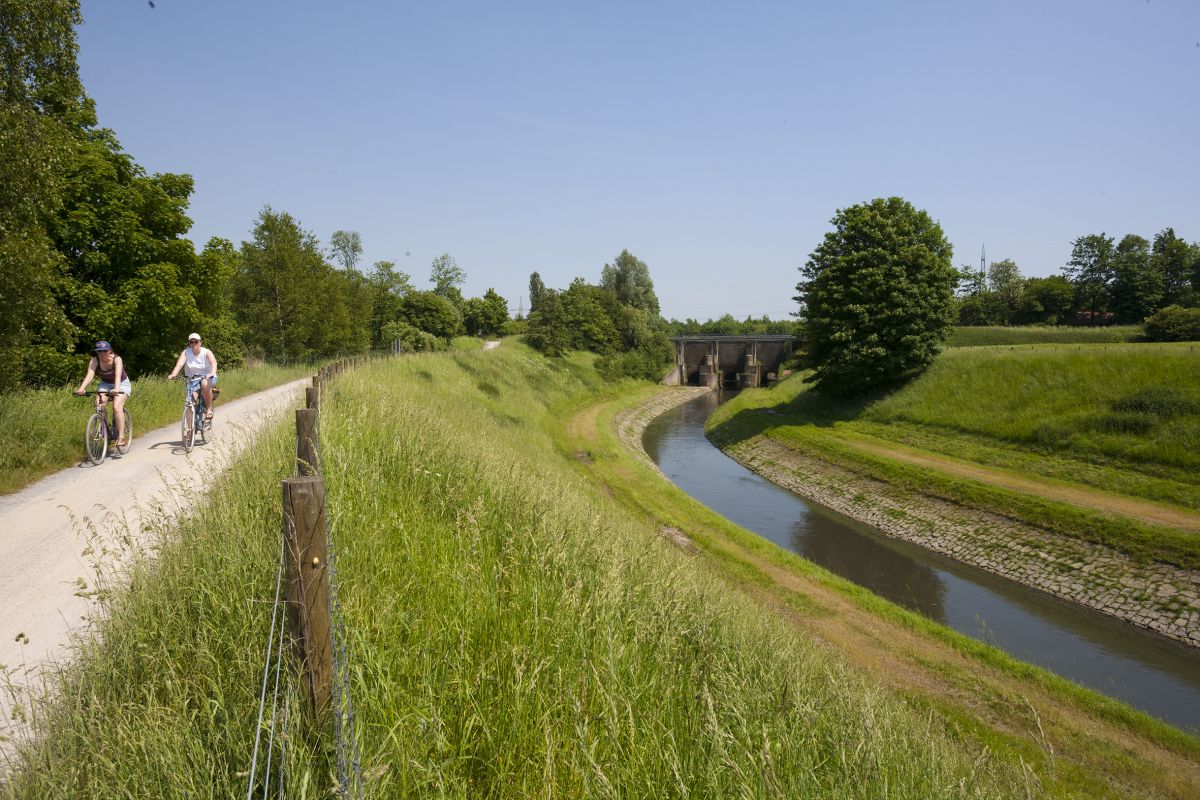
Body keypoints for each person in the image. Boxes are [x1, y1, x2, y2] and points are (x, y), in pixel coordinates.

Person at [73, 340, 131, 447]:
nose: (102, 353)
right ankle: (105, 430)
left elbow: (118, 375)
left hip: (121, 384)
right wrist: (81, 389)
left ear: (109, 350)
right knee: (99, 405)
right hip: (105, 384)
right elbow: (90, 375)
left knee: (116, 407)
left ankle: (121, 437)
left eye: (104, 351)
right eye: (99, 351)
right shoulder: (95, 360)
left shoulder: (117, 359)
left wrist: (117, 389)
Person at [167, 333, 218, 421]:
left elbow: (213, 363)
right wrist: (173, 374)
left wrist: (211, 373)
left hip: (208, 377)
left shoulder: (206, 352)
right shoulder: (186, 352)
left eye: (196, 342)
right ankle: (189, 429)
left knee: (204, 383)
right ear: (189, 343)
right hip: (192, 379)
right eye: (191, 342)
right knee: (190, 401)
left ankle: (209, 409)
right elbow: (179, 365)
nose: (194, 344)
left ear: (200, 342)